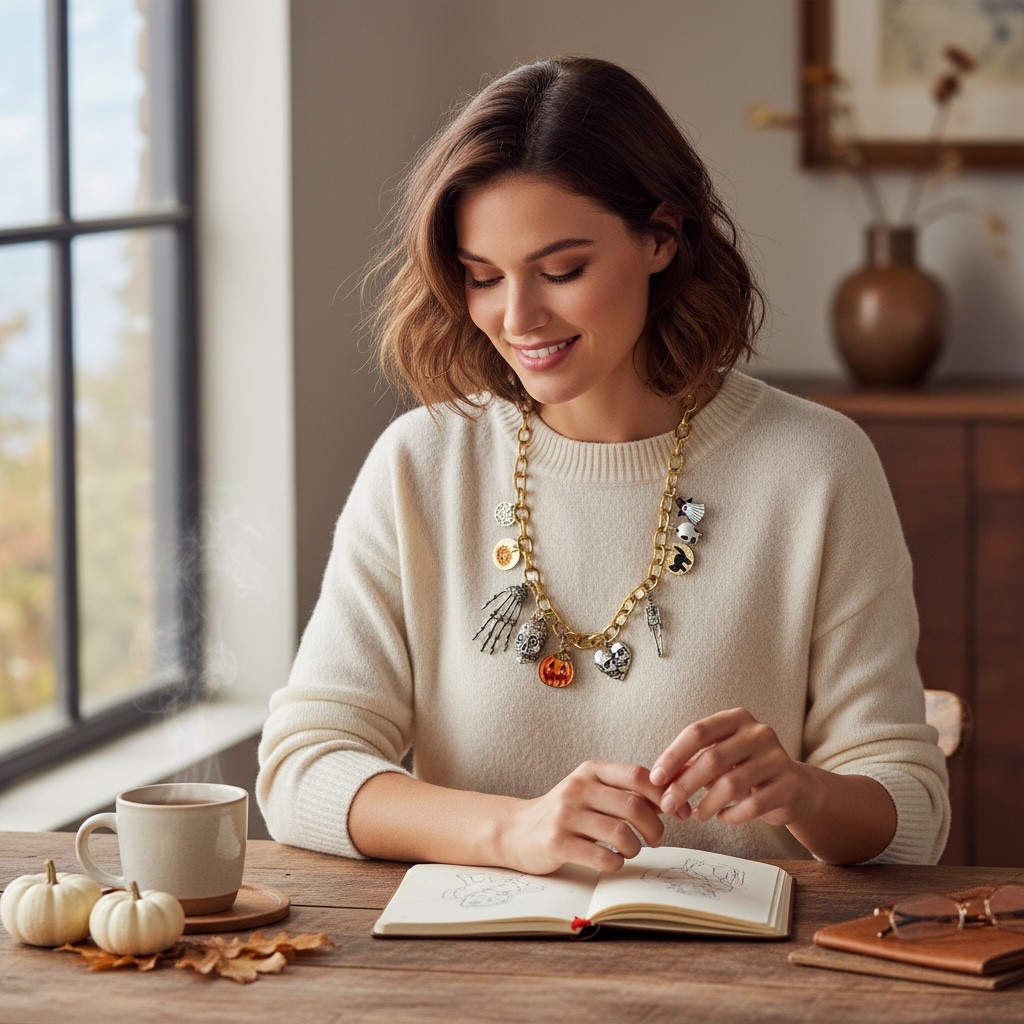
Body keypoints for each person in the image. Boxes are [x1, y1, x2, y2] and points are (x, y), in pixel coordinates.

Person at [256, 56, 949, 874]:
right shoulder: (422, 464)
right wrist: (512, 833)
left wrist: (803, 791)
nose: (517, 319)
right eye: (482, 278)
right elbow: (300, 769)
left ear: (661, 238)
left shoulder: (818, 466)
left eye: (561, 271)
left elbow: (909, 805)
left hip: (743, 981)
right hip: (464, 979)